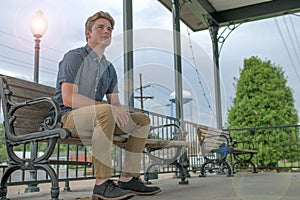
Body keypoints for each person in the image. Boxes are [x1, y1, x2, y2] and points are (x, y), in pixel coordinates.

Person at [51, 11, 161, 200]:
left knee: (142, 121)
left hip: (100, 117)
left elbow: (115, 103)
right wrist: (108, 108)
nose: (106, 31)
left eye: (109, 29)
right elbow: (69, 98)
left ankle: (128, 178)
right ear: (88, 34)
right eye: (100, 27)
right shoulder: (74, 57)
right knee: (105, 111)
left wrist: (120, 110)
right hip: (68, 117)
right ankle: (102, 184)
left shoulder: (109, 68)